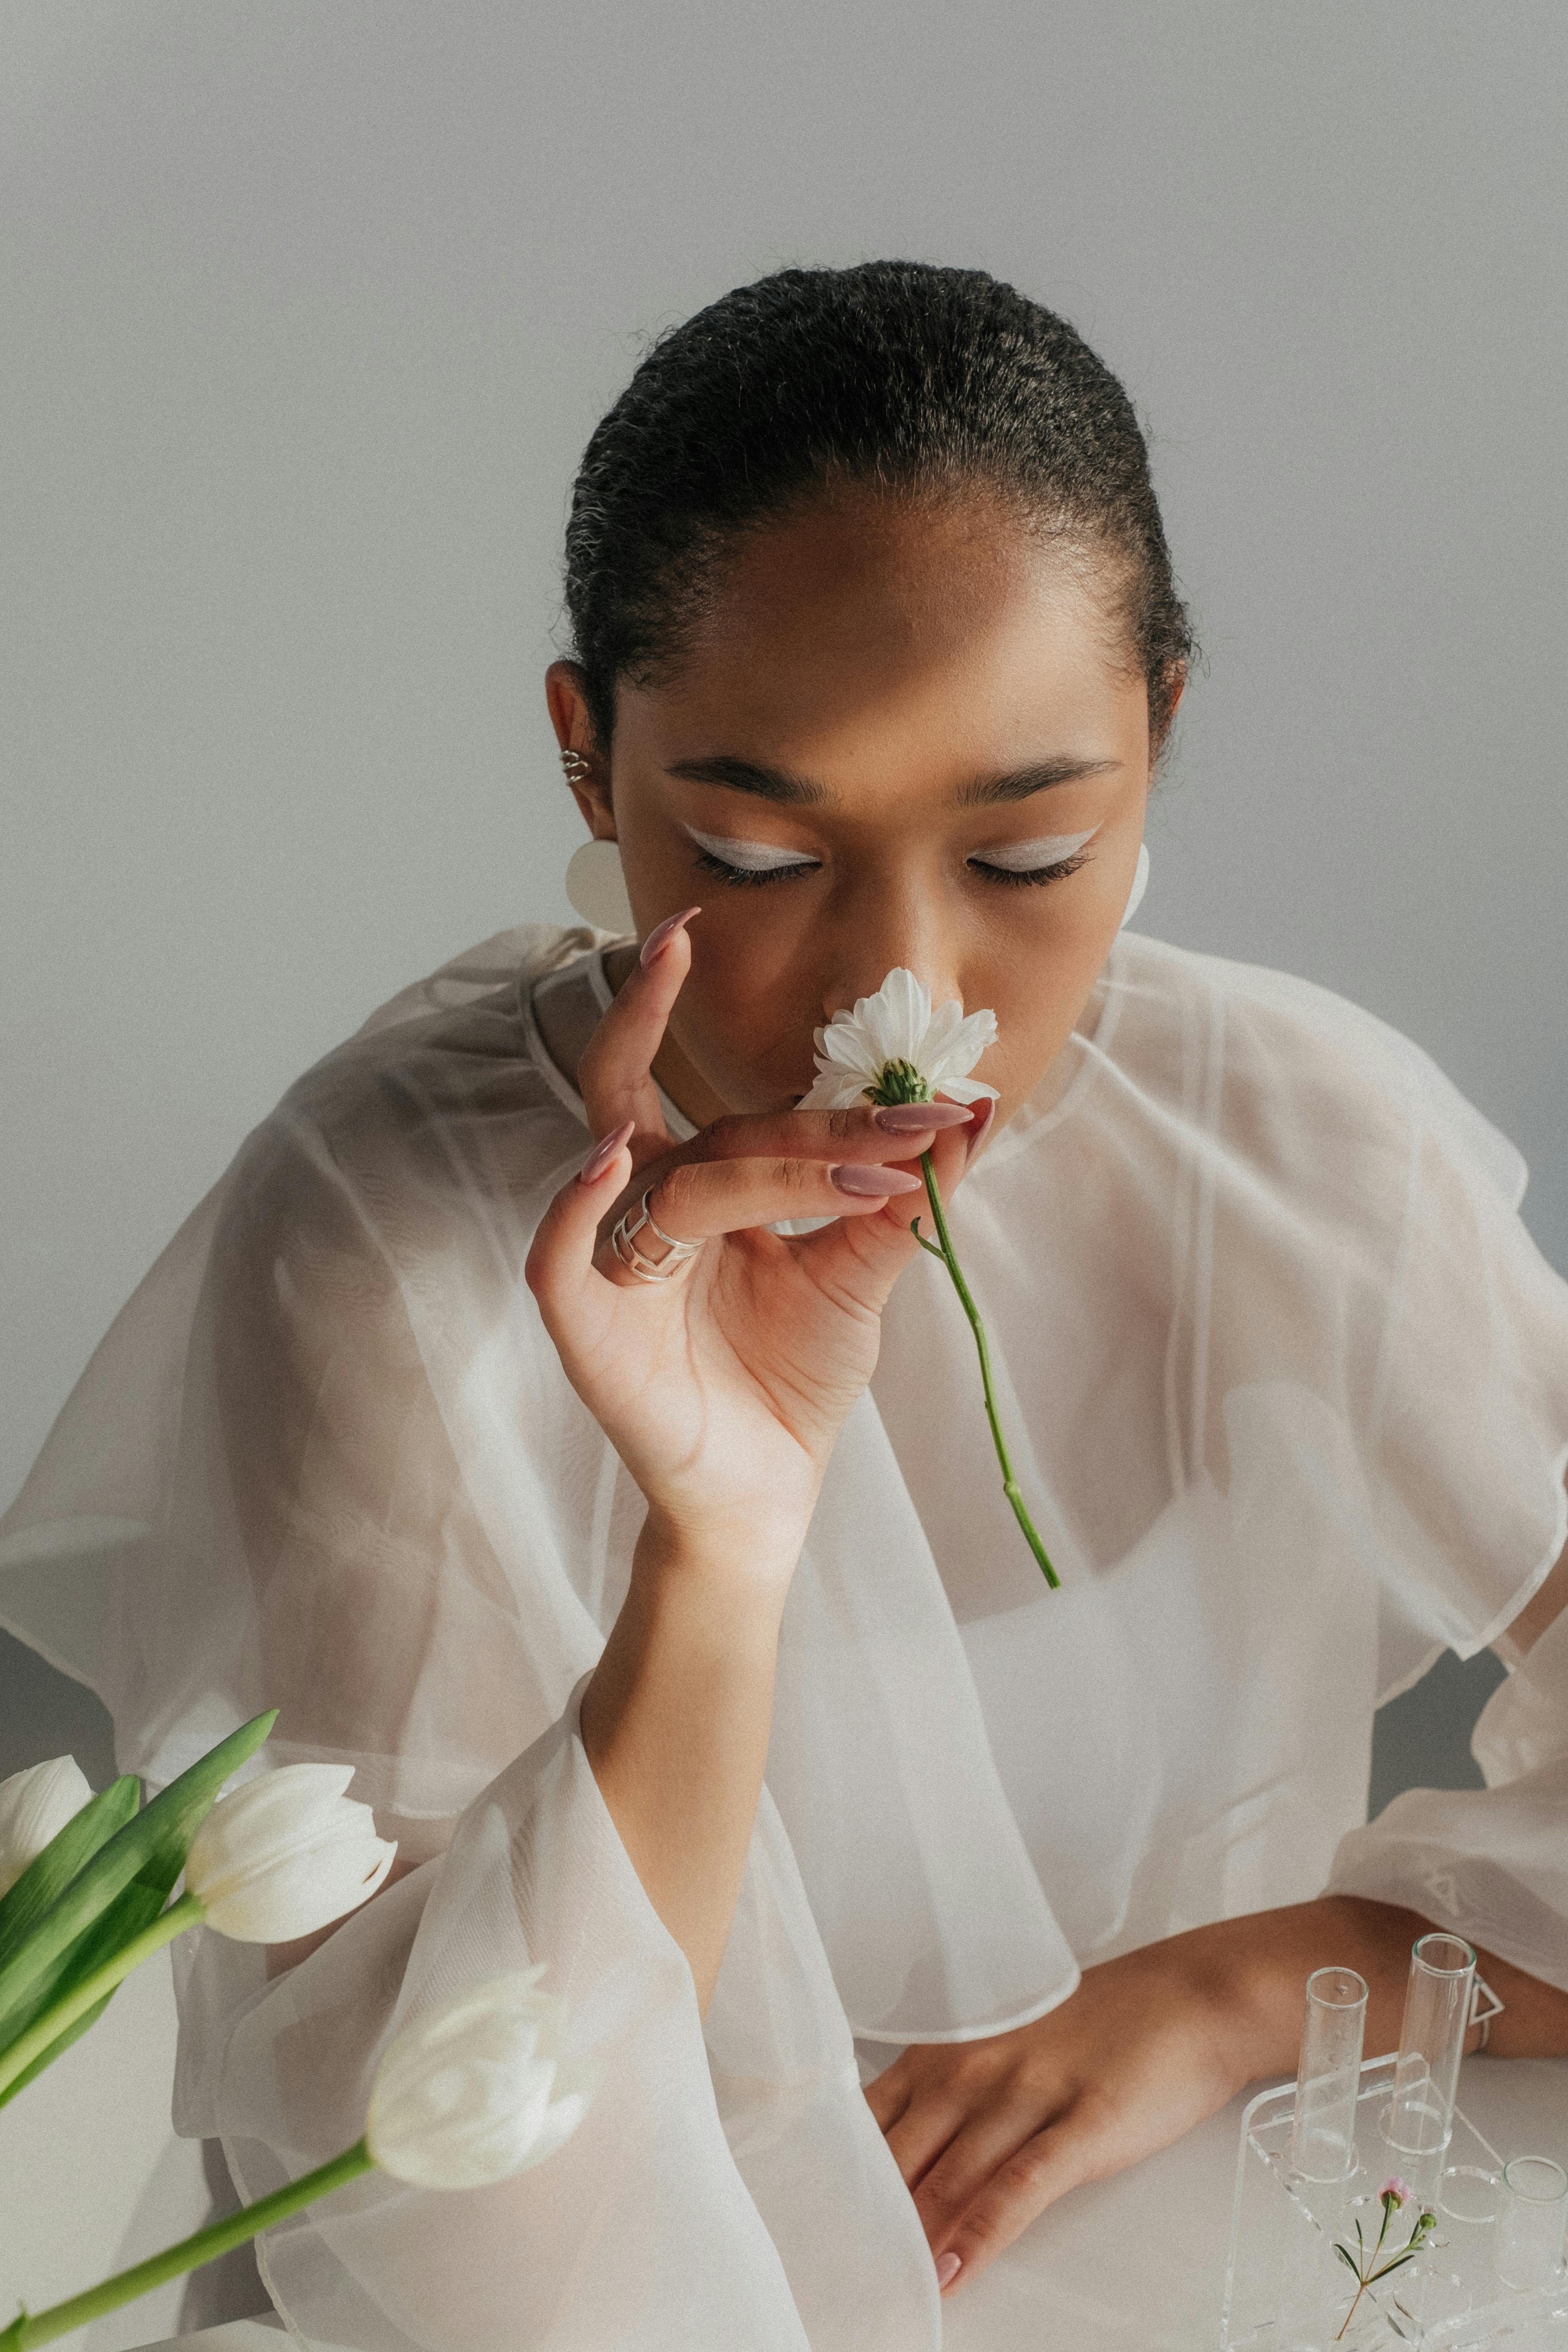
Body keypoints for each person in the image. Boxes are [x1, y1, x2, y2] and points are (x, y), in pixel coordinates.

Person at [2, 261, 1565, 2352]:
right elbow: (463, 2235)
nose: (889, 1000)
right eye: (749, 851)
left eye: (1028, 855)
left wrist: (1243, 1986)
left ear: (1161, 730)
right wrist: (717, 1552)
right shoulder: (390, 1244)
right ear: (589, 762)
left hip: (1208, 2265)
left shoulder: (1298, 1152)